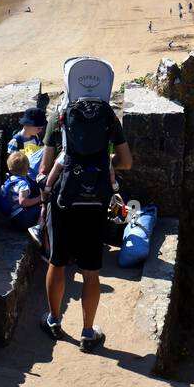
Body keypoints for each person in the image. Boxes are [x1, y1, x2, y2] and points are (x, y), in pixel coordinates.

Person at [39, 96, 132, 352]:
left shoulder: (59, 115)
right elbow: (126, 162)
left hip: (63, 199)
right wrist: (100, 165)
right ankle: (88, 332)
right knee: (91, 271)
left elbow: (46, 166)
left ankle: (54, 321)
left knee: (57, 262)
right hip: (95, 201)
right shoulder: (108, 116)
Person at [0, 151, 43, 230]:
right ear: (28, 168)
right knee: (43, 207)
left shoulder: (10, 179)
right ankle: (38, 227)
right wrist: (40, 199)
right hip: (22, 218)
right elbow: (23, 202)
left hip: (11, 217)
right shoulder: (22, 184)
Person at [8, 106, 48, 178]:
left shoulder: (35, 137)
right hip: (21, 176)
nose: (40, 131)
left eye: (41, 128)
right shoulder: (15, 141)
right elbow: (11, 164)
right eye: (38, 128)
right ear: (28, 125)